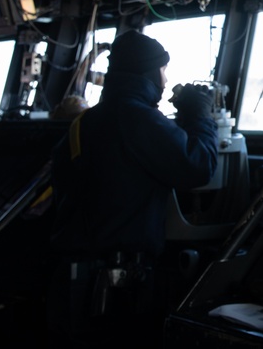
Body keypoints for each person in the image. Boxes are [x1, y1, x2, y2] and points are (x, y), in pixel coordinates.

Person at [47, 29, 218, 348]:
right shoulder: (139, 120)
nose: (166, 81)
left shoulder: (84, 122)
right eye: (163, 70)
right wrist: (199, 117)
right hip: (116, 286)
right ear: (150, 71)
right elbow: (199, 166)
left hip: (72, 280)